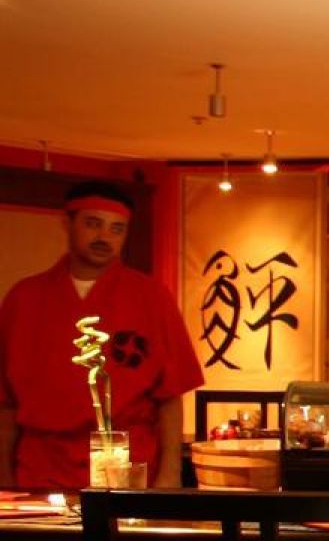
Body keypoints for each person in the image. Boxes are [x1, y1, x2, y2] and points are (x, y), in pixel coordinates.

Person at [0, 181, 203, 489]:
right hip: (41, 467)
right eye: (93, 224)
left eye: (116, 229)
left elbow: (170, 397)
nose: (104, 238)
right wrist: (3, 476)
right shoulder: (24, 298)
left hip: (128, 466)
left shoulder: (151, 296)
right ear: (67, 223)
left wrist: (170, 474)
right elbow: (6, 403)